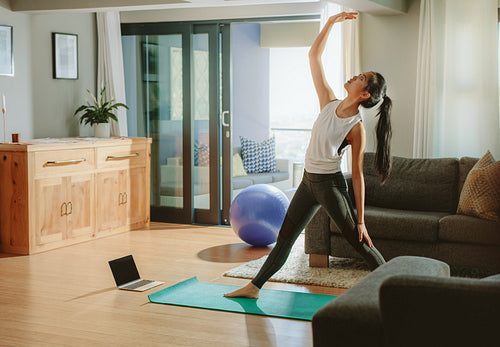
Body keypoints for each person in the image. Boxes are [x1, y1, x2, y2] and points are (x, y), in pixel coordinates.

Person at [224, 12, 392, 299]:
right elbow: (314, 56)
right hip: (307, 183)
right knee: (285, 239)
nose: (353, 76)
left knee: (359, 242)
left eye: (361, 78)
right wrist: (330, 23)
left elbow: (359, 175)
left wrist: (361, 219)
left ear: (364, 94)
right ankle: (253, 287)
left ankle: (403, 292)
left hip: (330, 187)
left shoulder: (356, 128)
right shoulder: (328, 101)